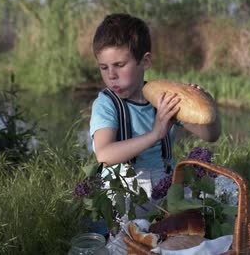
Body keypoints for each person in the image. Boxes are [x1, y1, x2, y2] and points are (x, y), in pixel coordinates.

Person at [89, 13, 221, 202]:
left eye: (119, 65)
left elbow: (211, 135)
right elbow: (104, 154)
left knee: (209, 209)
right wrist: (155, 134)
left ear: (145, 61)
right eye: (104, 67)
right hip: (124, 193)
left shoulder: (162, 98)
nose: (111, 75)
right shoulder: (107, 103)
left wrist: (208, 105)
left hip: (167, 185)